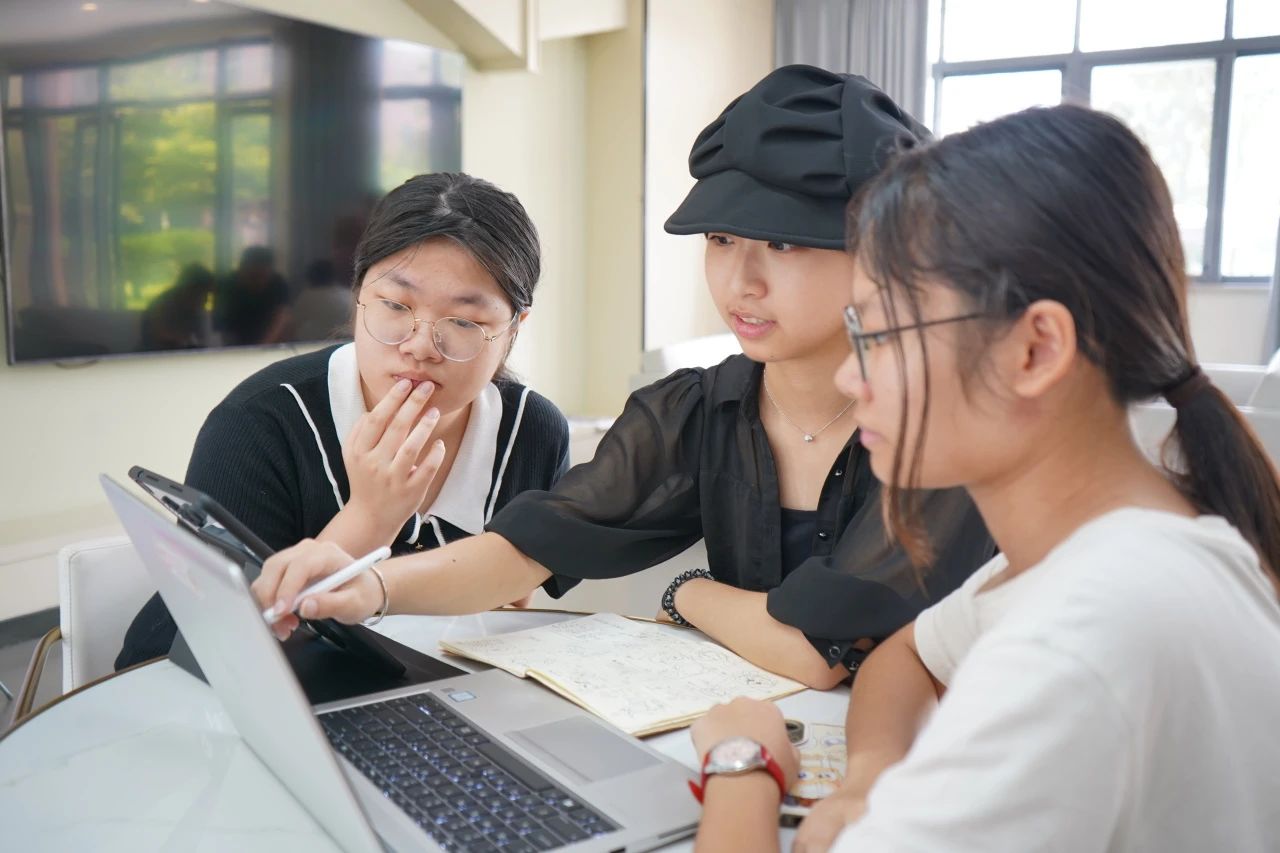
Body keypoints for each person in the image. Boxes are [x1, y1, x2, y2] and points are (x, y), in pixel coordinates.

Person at [251, 66, 994, 690]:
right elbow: (528, 547)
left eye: (783, 243)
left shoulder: (941, 429)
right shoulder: (699, 410)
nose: (741, 280)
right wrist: (372, 587)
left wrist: (691, 593)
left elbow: (818, 652)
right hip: (755, 743)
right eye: (721, 238)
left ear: (880, 249)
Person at [686, 104, 1280, 852]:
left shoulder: (1080, 640)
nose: (850, 375)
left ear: (1035, 350)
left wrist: (743, 762)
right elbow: (908, 653)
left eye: (882, 333)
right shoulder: (1114, 551)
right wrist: (869, 779)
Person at [116, 172, 569, 668]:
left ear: (514, 329)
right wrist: (370, 517)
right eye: (395, 305)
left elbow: (510, 612)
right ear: (357, 295)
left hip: (442, 701)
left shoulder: (532, 432)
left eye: (464, 321)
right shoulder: (261, 422)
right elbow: (203, 650)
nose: (420, 346)